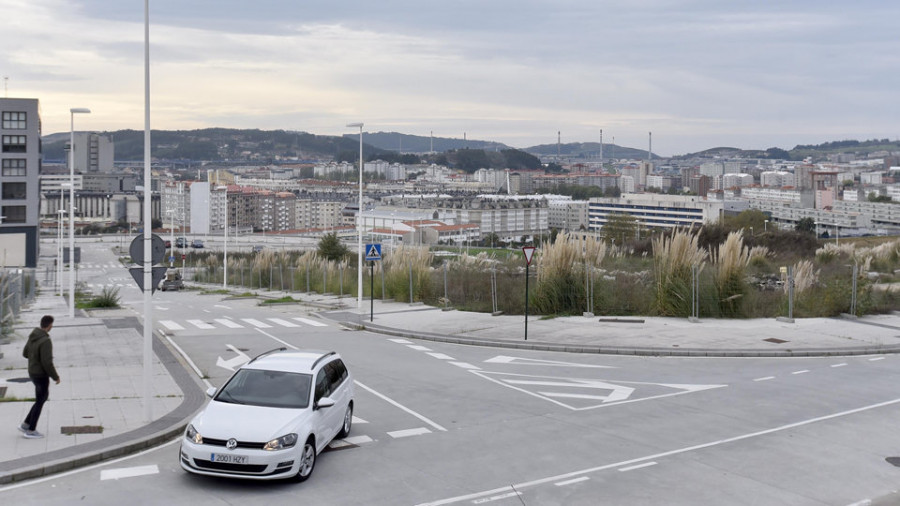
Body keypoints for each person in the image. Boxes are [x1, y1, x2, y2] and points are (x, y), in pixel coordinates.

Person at [19, 315, 60, 439]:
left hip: (32, 371)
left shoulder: (33, 335)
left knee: (40, 399)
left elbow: (25, 353)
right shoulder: (45, 340)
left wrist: (34, 359)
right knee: (41, 400)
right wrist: (55, 377)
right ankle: (31, 430)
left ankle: (26, 424)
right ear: (49, 325)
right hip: (41, 374)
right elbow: (47, 362)